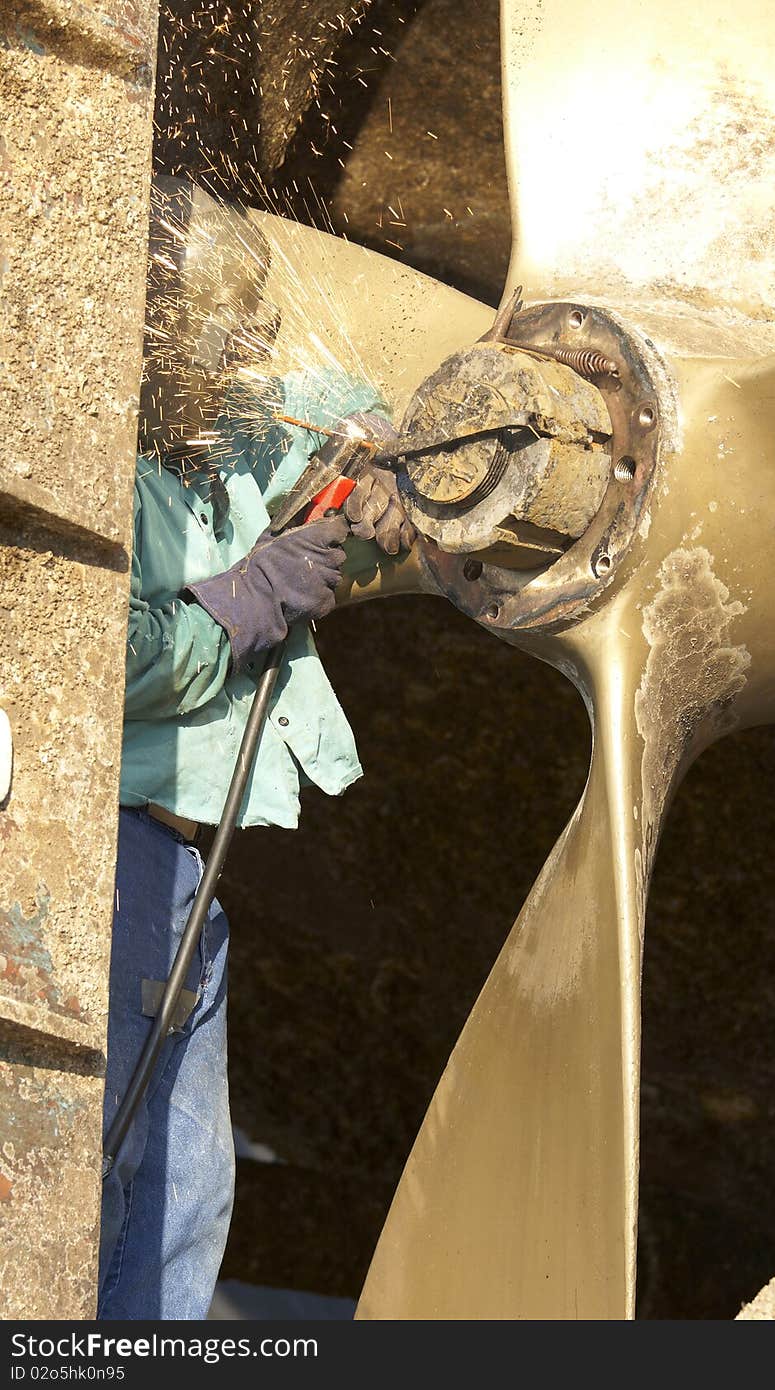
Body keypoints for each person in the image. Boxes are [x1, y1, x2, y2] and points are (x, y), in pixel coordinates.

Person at [98, 178, 414, 1319]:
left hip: (186, 878)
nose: (257, 342)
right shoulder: (90, 466)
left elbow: (339, 407)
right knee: (113, 1185)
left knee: (185, 1207)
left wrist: (390, 463)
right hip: (111, 864)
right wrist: (239, 605)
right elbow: (95, 667)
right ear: (155, 325)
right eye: (231, 319)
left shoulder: (220, 431)